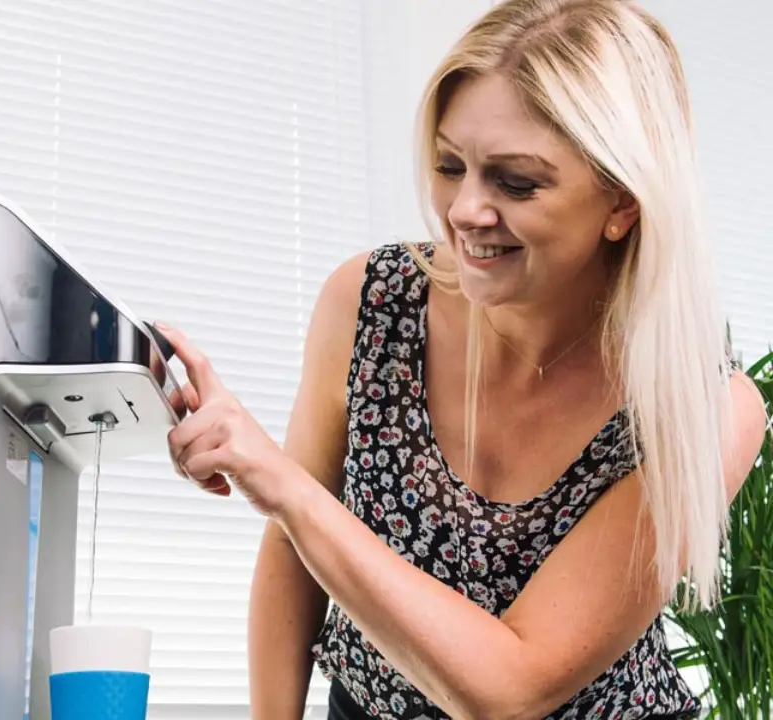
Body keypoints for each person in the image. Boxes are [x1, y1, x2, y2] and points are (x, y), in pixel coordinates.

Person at [155, 0, 769, 718]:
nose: (463, 210)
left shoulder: (701, 406)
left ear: (622, 203)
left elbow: (514, 686)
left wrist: (285, 487)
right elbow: (294, 562)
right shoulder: (371, 303)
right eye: (451, 165)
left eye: (515, 182)